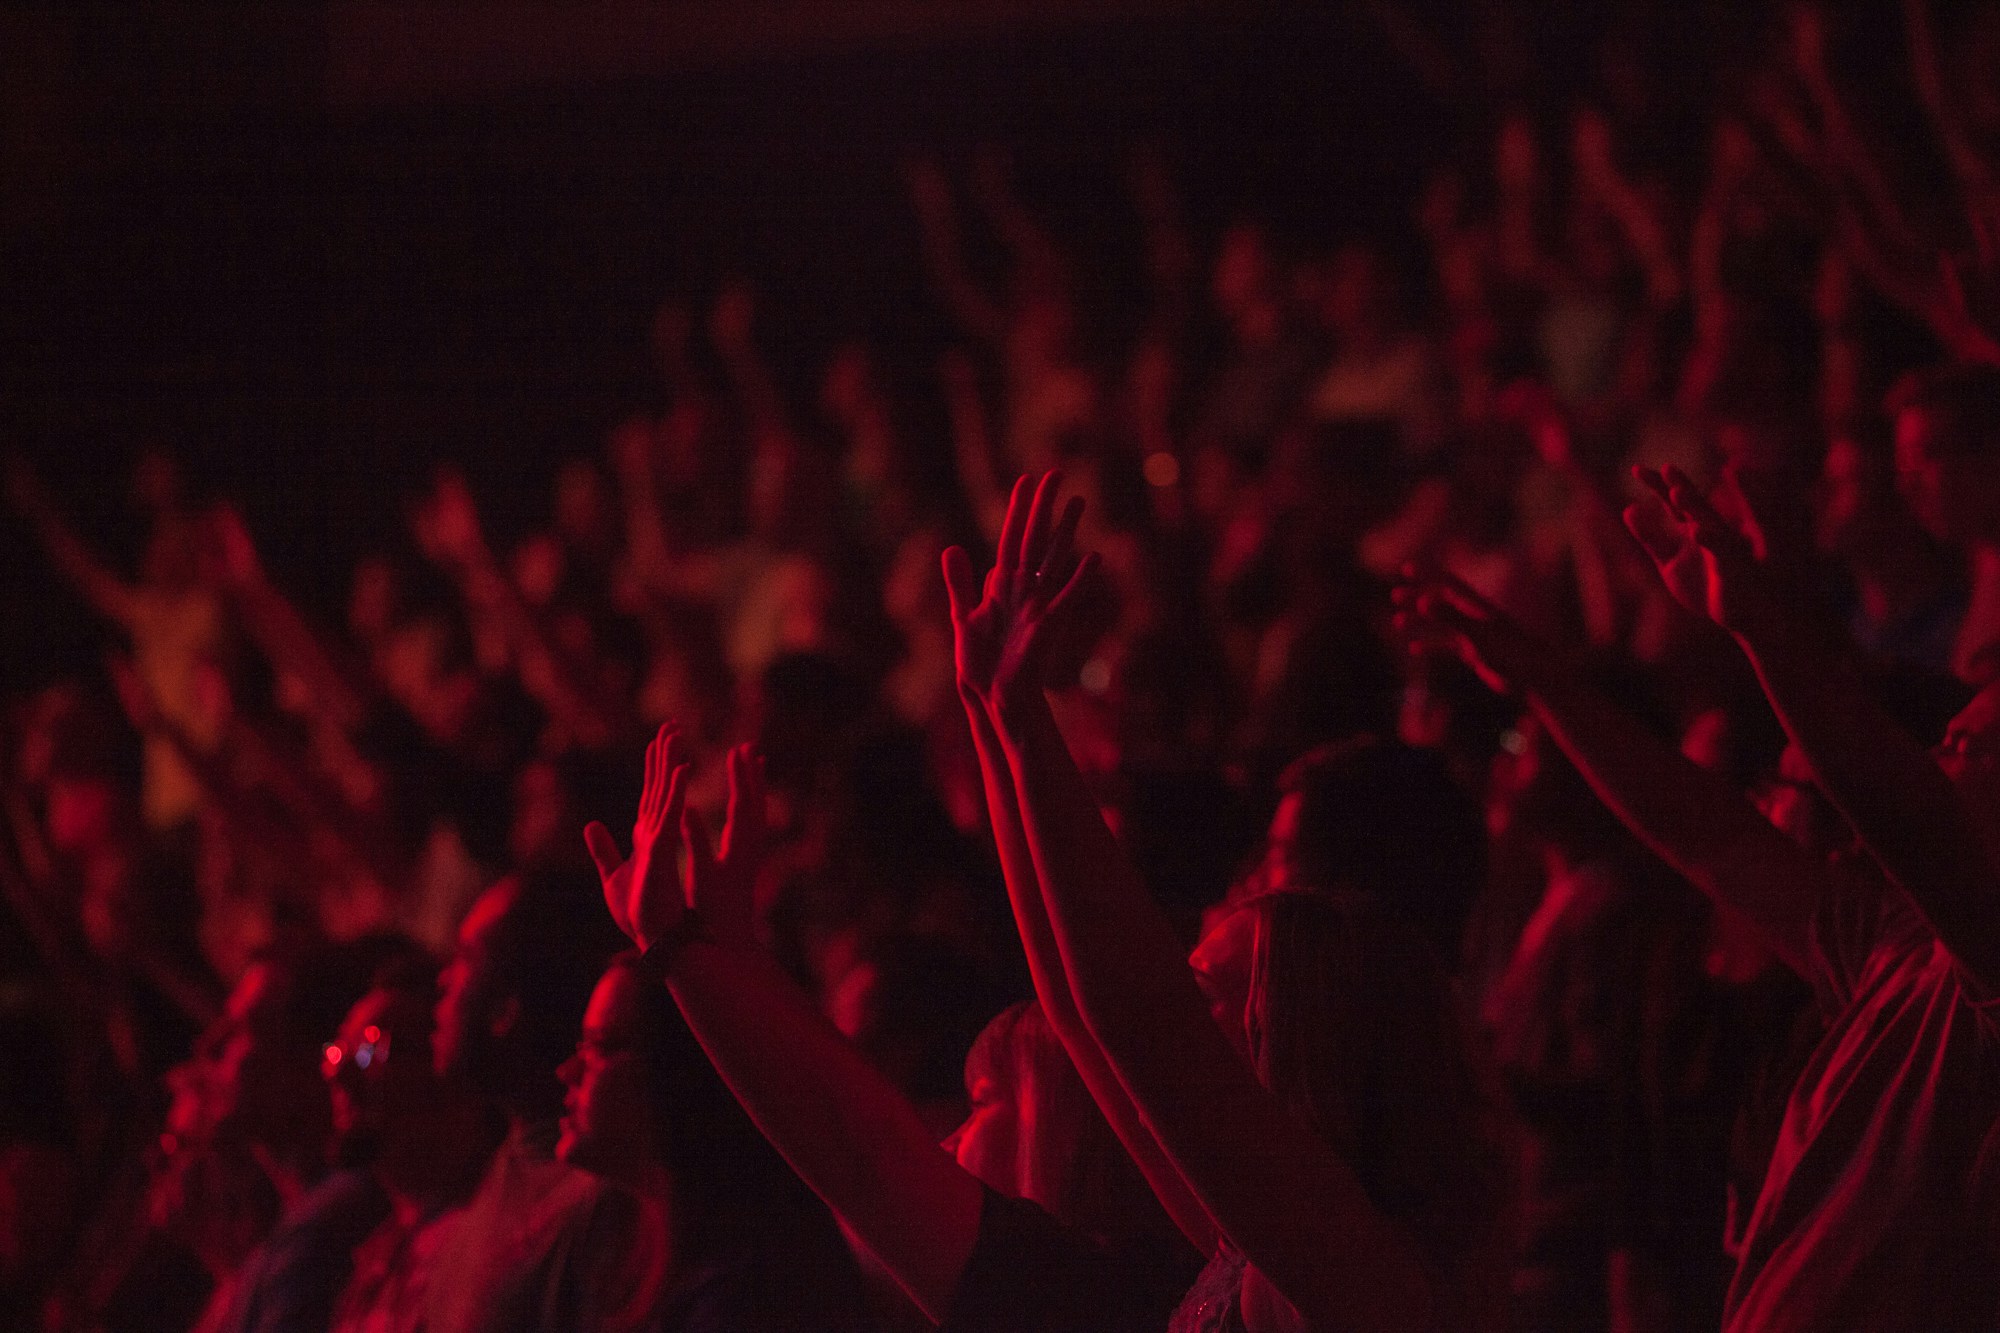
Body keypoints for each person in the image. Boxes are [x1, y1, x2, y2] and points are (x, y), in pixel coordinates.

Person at [1397, 459, 2000, 1328]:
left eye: (1974, 749)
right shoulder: (1898, 945)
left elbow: (1891, 796)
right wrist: (1549, 683)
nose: (1942, 756)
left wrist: (1759, 628)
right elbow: (1711, 838)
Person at [941, 472, 1504, 1332]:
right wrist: (995, 714)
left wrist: (1022, 723)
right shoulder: (1249, 1239)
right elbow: (1080, 1008)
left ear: (1293, 1035)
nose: (1180, 1007)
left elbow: (1132, 1015)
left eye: (1208, 994)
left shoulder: (1358, 1271)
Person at [581, 733, 1200, 1331]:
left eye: (984, 1097)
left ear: (1066, 1138)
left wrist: (678, 947)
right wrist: (730, 951)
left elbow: (863, 1154)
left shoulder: (1074, 1301)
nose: (947, 1131)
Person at [553, 950, 874, 1330]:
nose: (567, 1072)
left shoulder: (753, 1289)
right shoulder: (624, 1239)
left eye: (601, 1046)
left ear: (678, 1070)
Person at [423, 866, 636, 1333]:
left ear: (506, 1009)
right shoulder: (502, 1176)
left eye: (464, 958)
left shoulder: (597, 1204)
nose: (443, 980)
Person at [327, 955, 500, 1333]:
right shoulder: (379, 1257)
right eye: (340, 1050)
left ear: (447, 1055)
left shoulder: (499, 1228)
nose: (341, 1075)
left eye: (372, 1048)